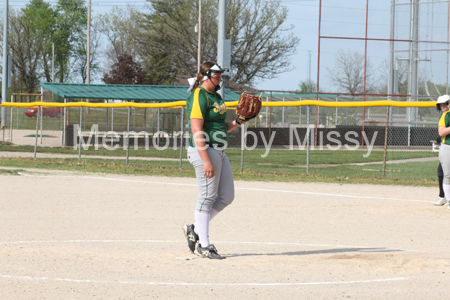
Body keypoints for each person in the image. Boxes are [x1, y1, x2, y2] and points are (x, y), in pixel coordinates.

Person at [182, 61, 244, 259]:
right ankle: (204, 245)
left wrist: (238, 122)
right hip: (205, 150)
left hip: (219, 150)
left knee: (226, 196)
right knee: (207, 196)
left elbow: (219, 126)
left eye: (220, 76)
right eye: (217, 76)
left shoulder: (215, 96)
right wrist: (206, 159)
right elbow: (196, 128)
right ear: (206, 76)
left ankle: (195, 229)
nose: (220, 80)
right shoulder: (199, 95)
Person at [437, 94, 450, 209]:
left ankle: (443, 196)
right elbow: (441, 132)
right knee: (445, 173)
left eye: (444, 104)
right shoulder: (446, 116)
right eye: (441, 105)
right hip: (447, 147)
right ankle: (445, 198)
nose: (442, 107)